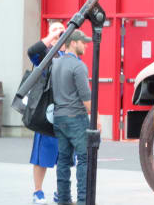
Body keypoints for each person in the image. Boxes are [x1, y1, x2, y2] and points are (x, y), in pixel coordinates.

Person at [51, 29, 92, 205]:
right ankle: (83, 200)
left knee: (63, 160)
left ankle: (64, 199)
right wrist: (96, 118)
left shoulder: (55, 64)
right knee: (84, 158)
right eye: (83, 42)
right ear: (73, 43)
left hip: (59, 118)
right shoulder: (78, 66)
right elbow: (86, 97)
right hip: (76, 117)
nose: (86, 46)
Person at [27, 20, 65, 204]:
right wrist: (53, 37)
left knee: (65, 155)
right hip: (45, 112)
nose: (59, 33)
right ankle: (38, 191)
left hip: (65, 112)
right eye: (55, 30)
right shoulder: (44, 54)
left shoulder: (69, 55)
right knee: (41, 155)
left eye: (62, 30)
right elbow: (32, 52)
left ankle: (61, 190)